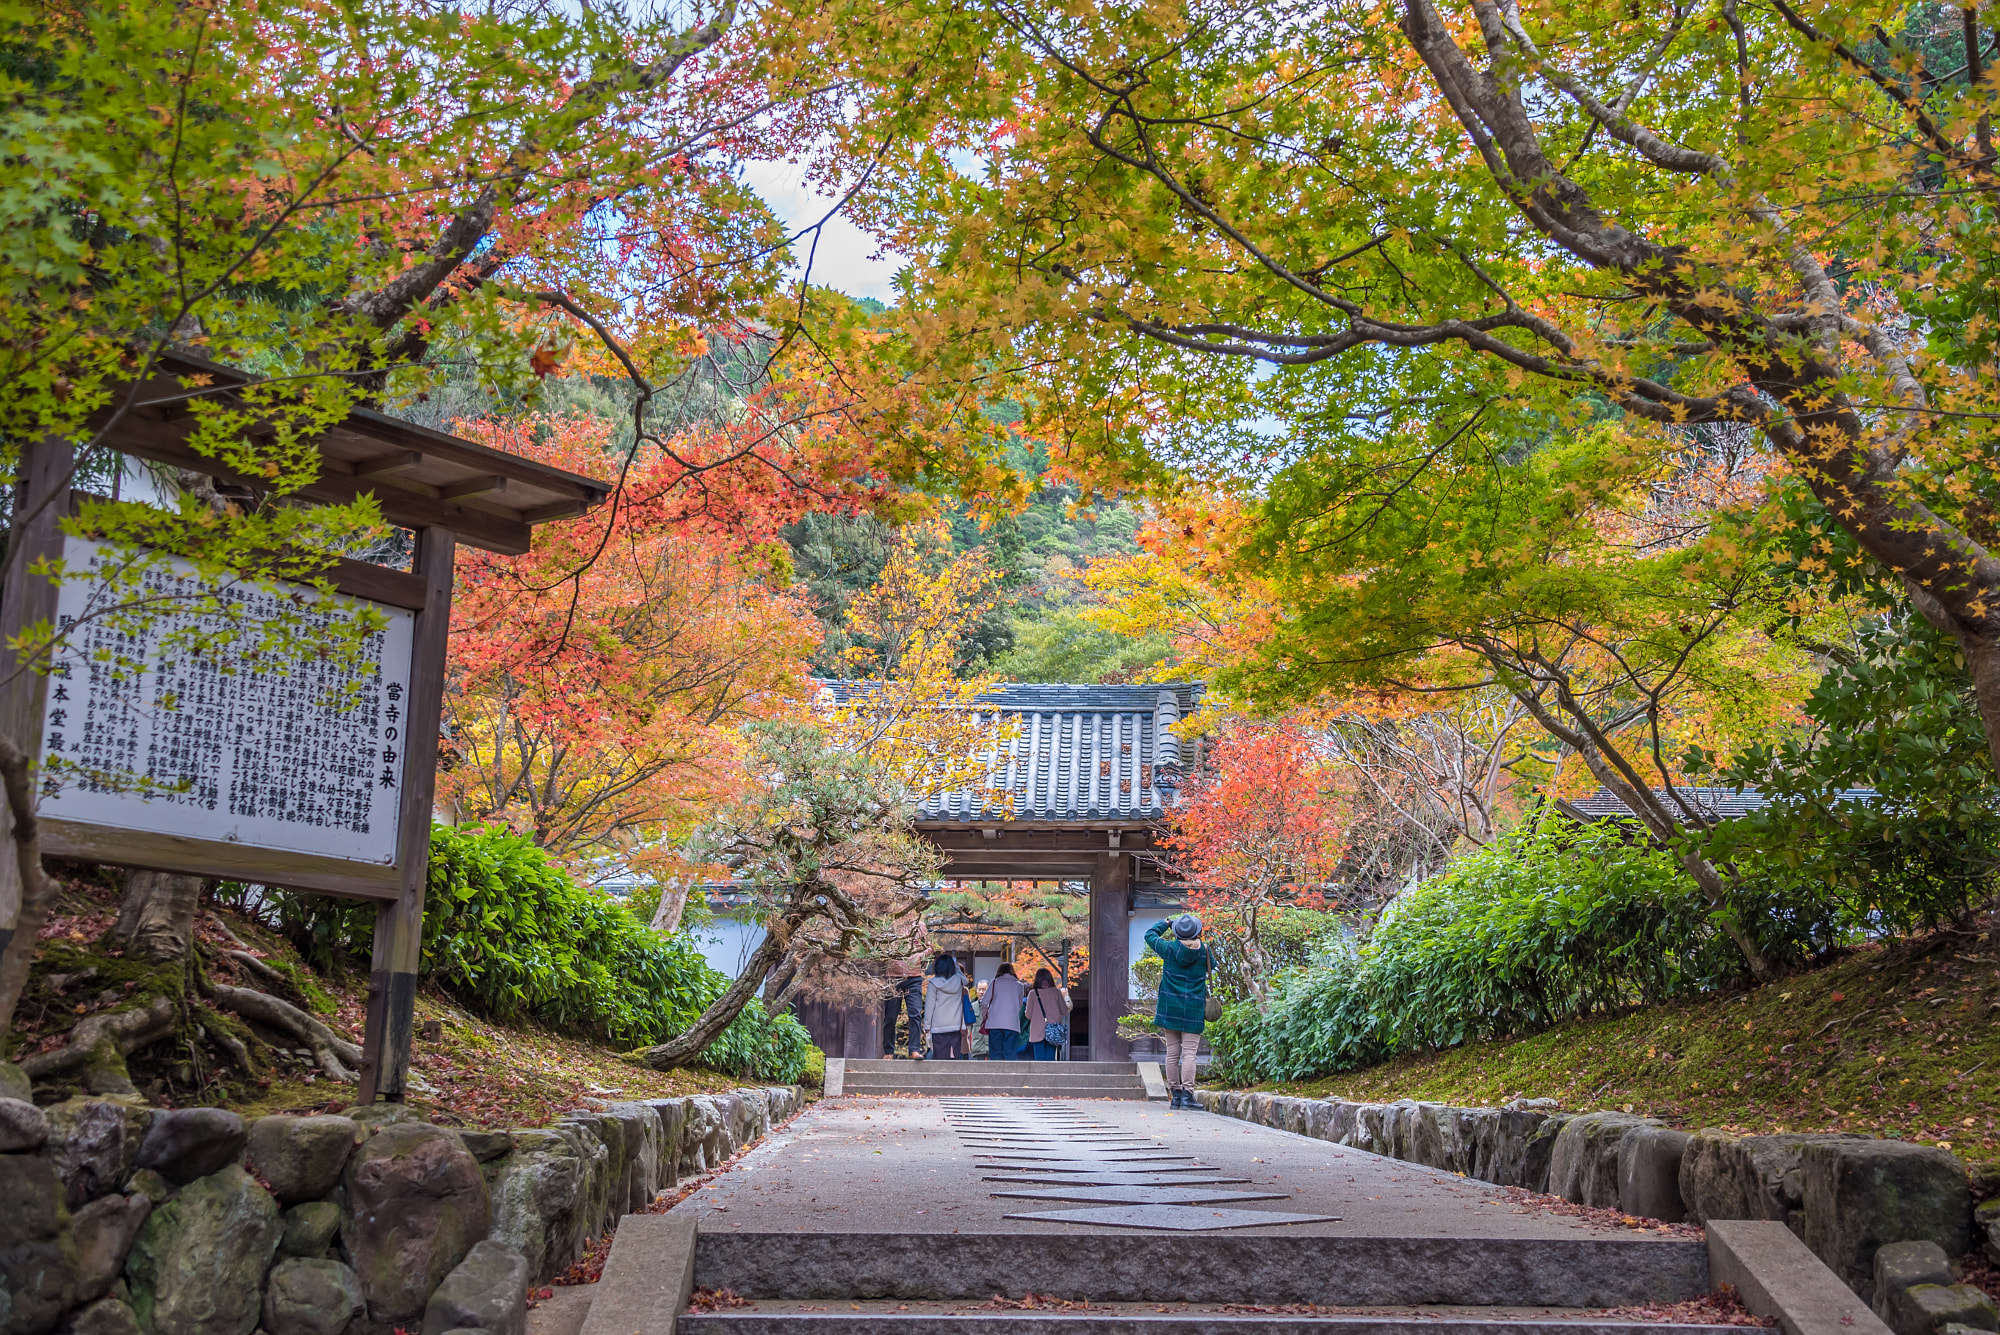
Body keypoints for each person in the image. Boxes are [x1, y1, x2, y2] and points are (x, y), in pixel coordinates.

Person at [1145, 913, 1211, 1109]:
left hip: (1169, 1007)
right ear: (1198, 932)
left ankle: (1175, 1095)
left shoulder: (1168, 949)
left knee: (1172, 1053)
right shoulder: (1204, 951)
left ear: (1177, 933)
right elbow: (1212, 967)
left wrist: (1166, 922)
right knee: (1190, 1053)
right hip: (1193, 1007)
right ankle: (1188, 1096)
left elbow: (1150, 934)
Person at [922, 953, 970, 1059]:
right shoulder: (958, 980)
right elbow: (966, 981)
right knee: (954, 1057)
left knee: (940, 1057)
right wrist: (956, 968)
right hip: (955, 1025)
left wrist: (927, 1025)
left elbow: (929, 1006)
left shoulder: (933, 983)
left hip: (938, 1026)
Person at [981, 962, 1027, 1061]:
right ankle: (1009, 1075)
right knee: (1010, 1054)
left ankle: (995, 1074)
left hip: (994, 1023)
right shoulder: (1019, 986)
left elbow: (984, 1002)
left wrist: (985, 1015)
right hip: (1012, 1024)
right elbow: (1019, 1005)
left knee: (995, 1054)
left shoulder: (994, 983)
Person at [883, 956, 927, 1059]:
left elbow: (930, 946)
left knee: (915, 1014)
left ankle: (914, 1050)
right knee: (890, 1016)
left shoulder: (917, 939)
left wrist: (920, 956)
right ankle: (888, 1051)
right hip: (893, 977)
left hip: (914, 977)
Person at [1023, 967, 1071, 1060]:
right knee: (1050, 1058)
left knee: (1039, 1059)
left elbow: (1028, 1015)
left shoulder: (1033, 993)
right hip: (1053, 1030)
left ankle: (1040, 1074)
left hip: (1037, 1031)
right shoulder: (1056, 992)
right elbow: (1064, 1011)